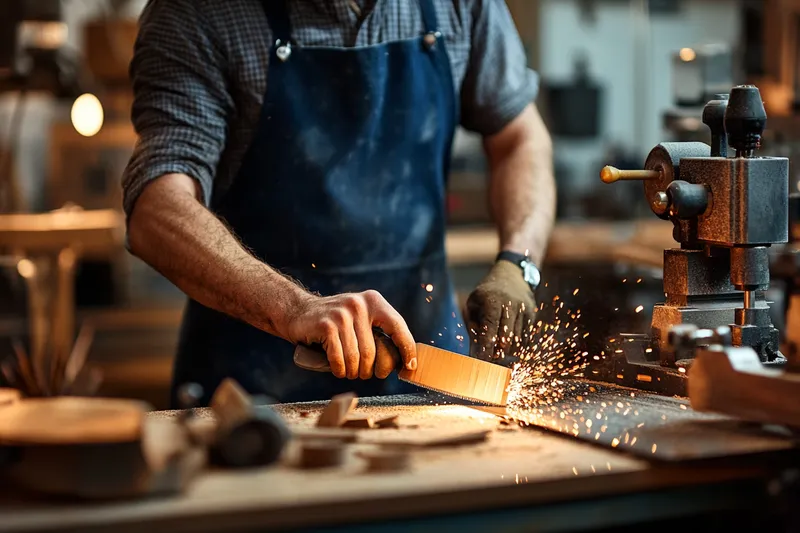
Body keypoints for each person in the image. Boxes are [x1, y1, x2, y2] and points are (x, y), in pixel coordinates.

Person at [122, 0, 556, 407]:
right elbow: (157, 208)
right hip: (252, 391)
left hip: (426, 375)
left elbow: (521, 138)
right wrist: (293, 308)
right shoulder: (197, 15)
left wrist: (518, 264)